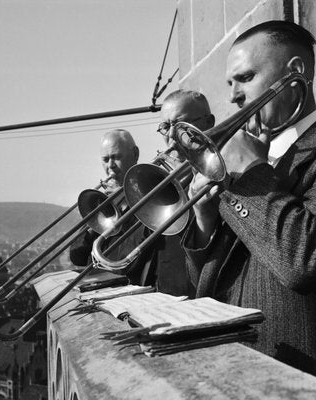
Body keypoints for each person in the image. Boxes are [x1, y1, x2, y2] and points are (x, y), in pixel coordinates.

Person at [179, 20, 316, 374]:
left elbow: (303, 263)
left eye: (246, 77)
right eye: (229, 83)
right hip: (229, 363)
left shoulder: (254, 164)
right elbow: (206, 283)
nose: (232, 96)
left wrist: (252, 174)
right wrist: (205, 223)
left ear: (297, 72)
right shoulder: (250, 157)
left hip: (292, 371)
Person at [146, 89, 215, 296]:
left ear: (208, 123)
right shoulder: (160, 179)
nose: (171, 135)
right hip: (167, 296)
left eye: (180, 125)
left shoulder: (225, 171)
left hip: (209, 296)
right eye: (165, 126)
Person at [69, 129, 149, 284]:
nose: (110, 166)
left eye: (116, 157)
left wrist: (125, 200)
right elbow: (76, 256)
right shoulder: (100, 203)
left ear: (135, 154)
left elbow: (129, 262)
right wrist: (97, 218)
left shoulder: (148, 202)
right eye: (105, 160)